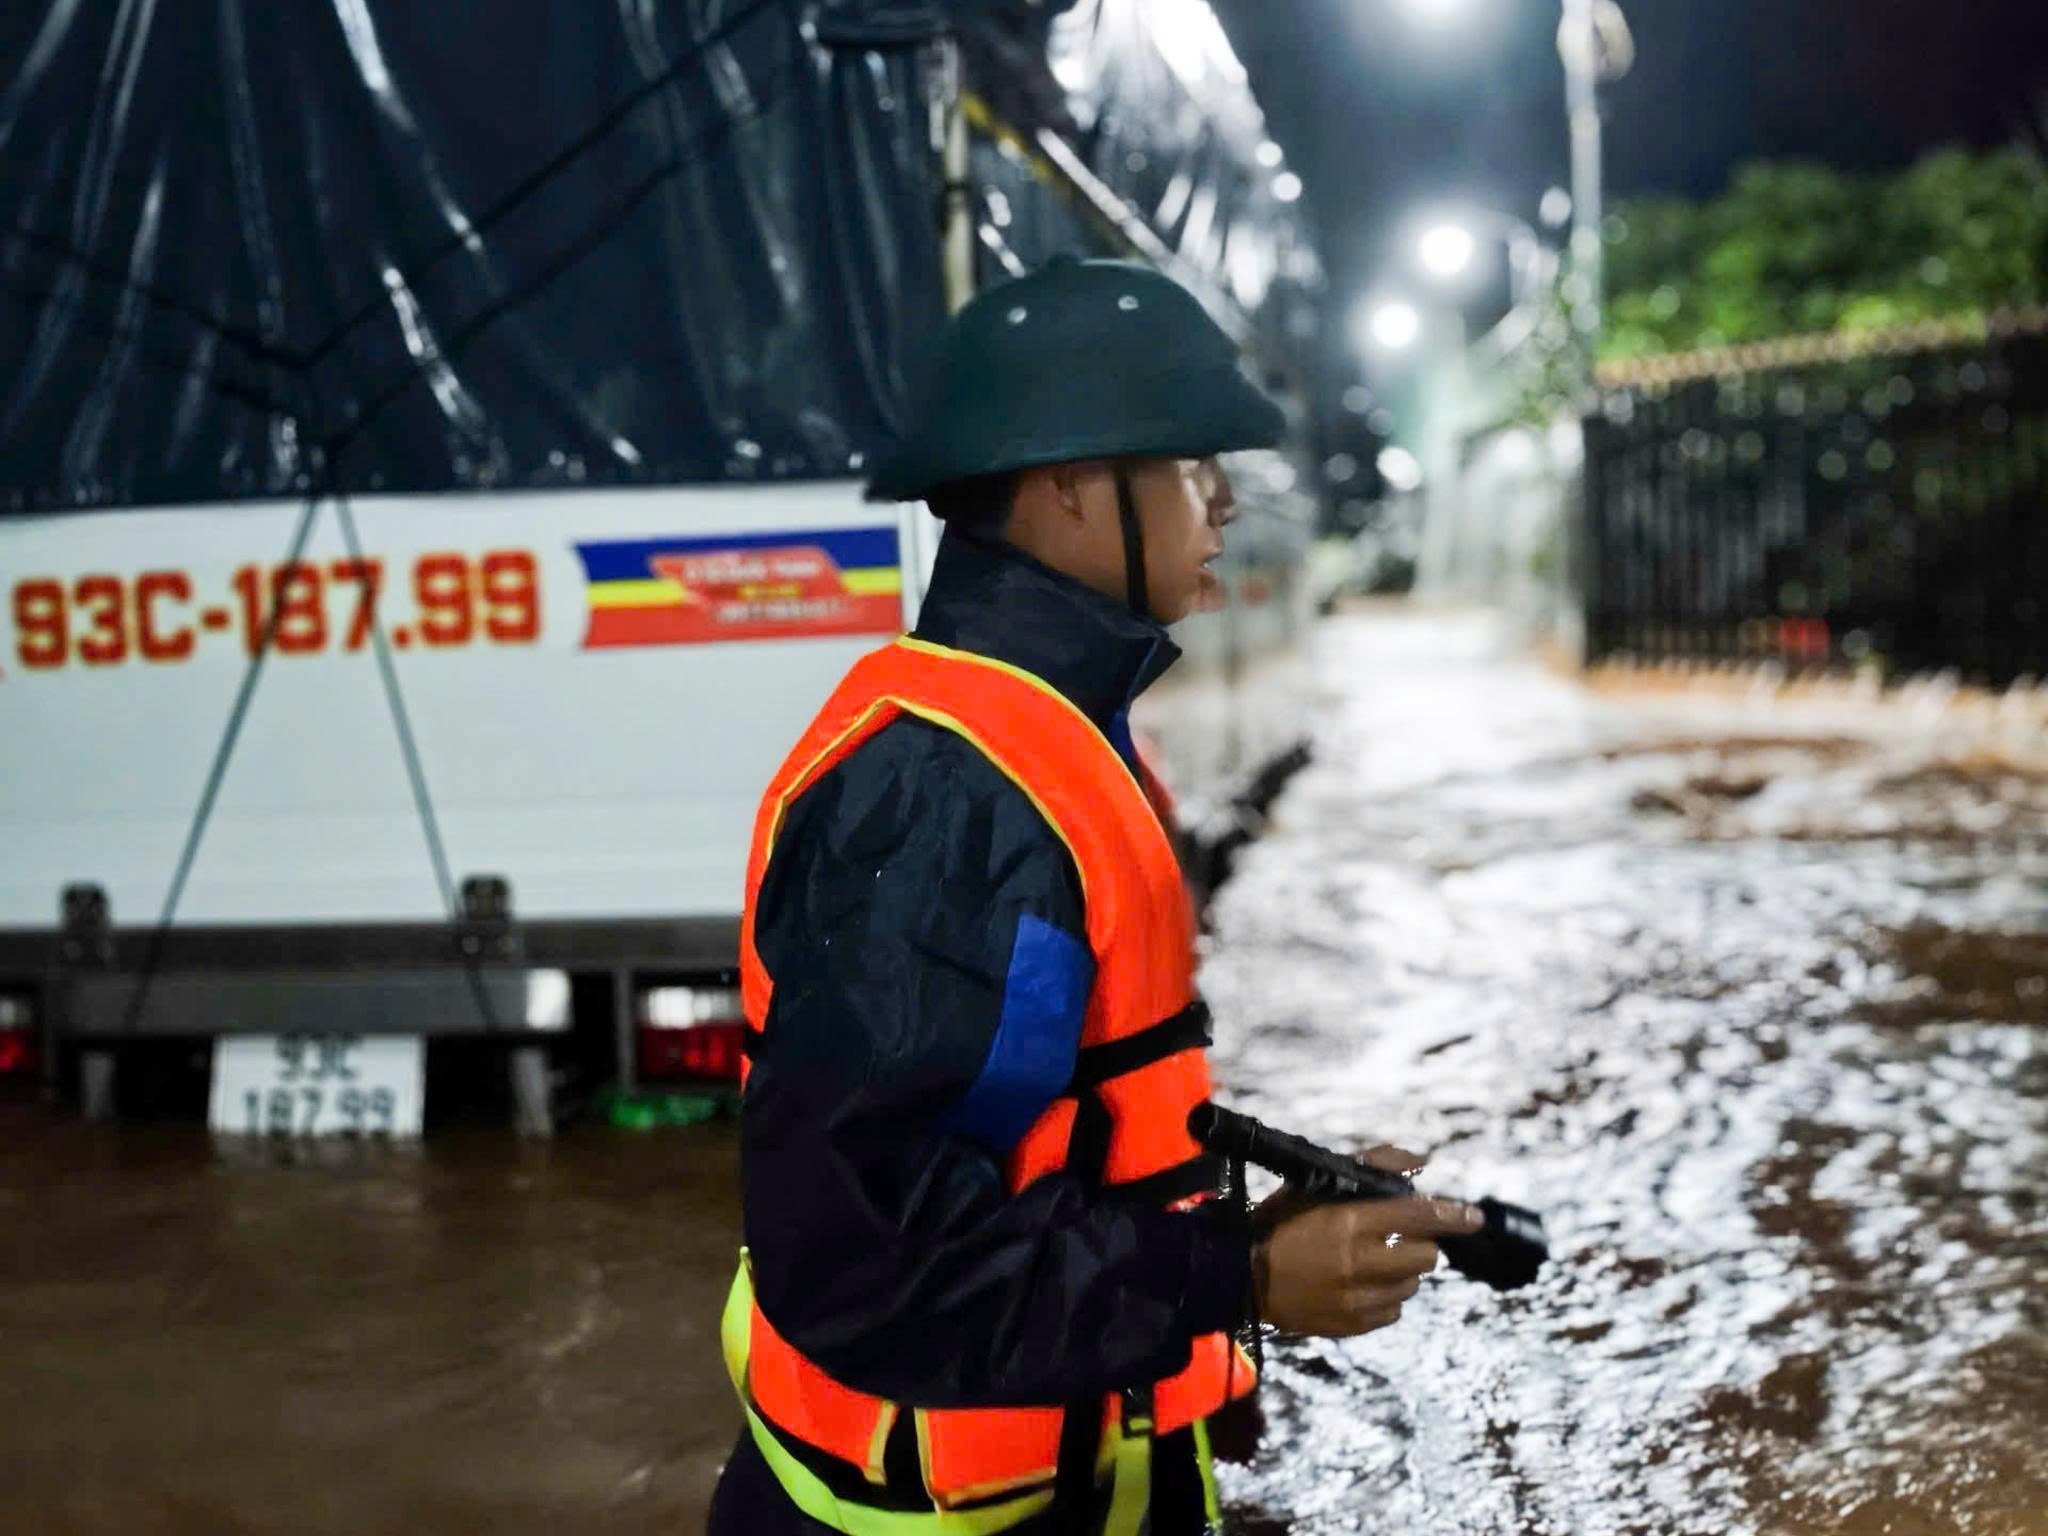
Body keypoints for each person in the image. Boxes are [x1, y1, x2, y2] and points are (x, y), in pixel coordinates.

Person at [709, 257, 1482, 1536]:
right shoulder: (950, 800)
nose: (1223, 501)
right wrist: (1235, 1275)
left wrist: (1266, 1211)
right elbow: (863, 1253)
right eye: (1188, 464)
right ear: (1065, 487)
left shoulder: (1044, 738)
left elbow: (1050, 1111)